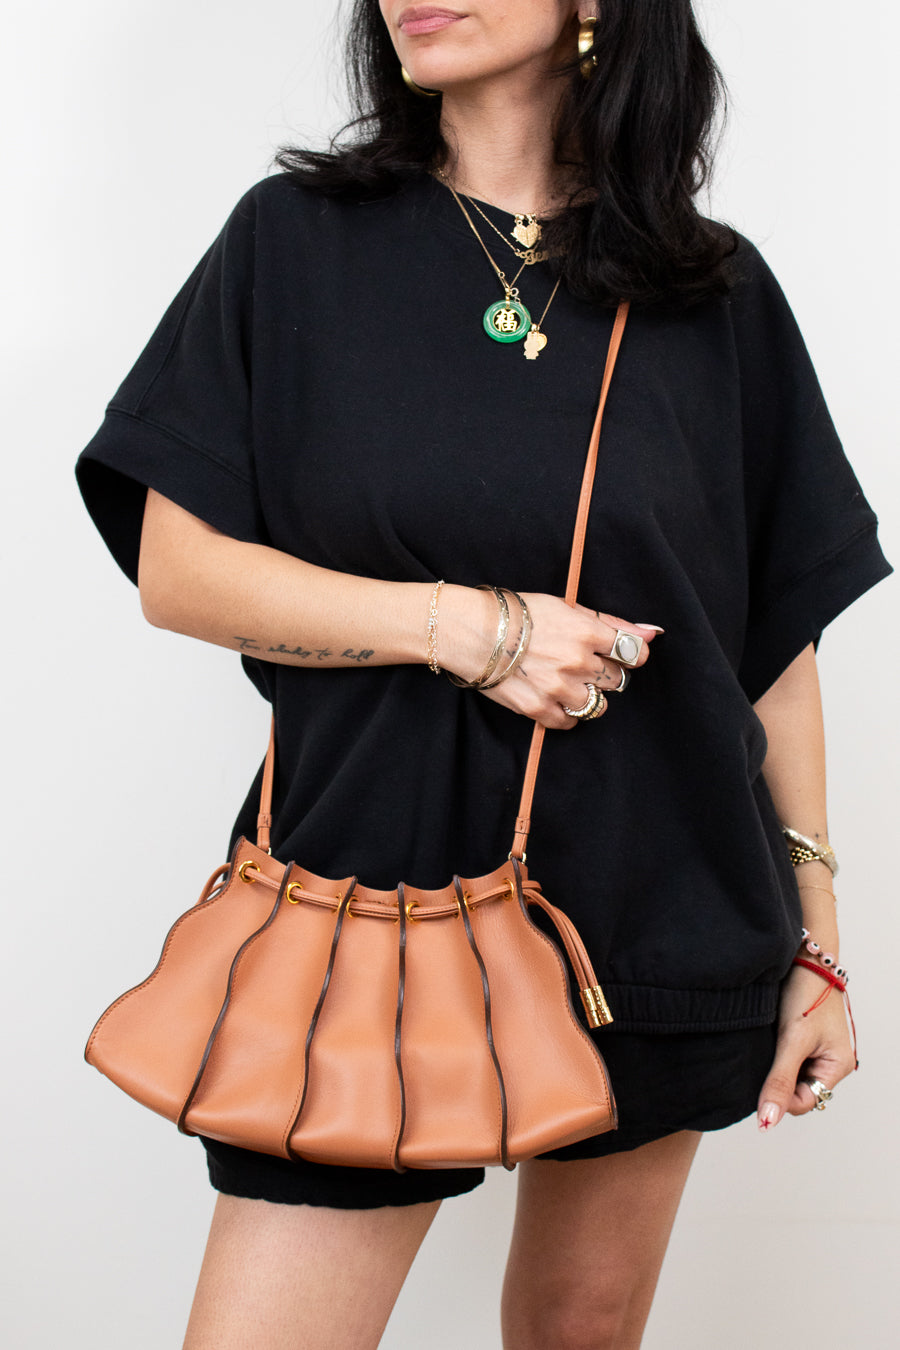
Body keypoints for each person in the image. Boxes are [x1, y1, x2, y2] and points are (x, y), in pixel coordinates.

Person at [76, 2, 891, 1346]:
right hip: (363, 908)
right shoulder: (294, 244)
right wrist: (467, 628)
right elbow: (181, 570)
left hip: (663, 912)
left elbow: (773, 645)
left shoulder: (714, 292)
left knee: (583, 1327)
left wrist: (821, 942)